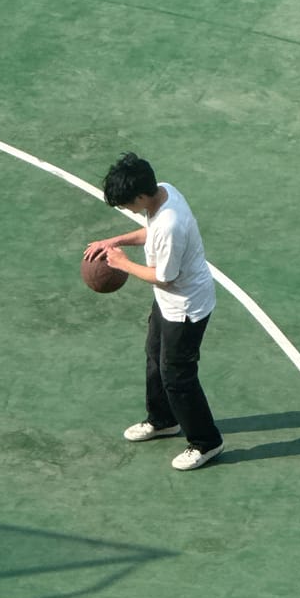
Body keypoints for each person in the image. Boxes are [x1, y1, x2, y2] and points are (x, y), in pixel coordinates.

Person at [84, 152, 223, 470]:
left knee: (178, 377)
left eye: (126, 204)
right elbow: (151, 232)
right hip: (168, 303)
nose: (127, 210)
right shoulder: (164, 191)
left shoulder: (171, 224)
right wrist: (116, 239)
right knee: (154, 357)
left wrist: (122, 263)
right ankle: (163, 420)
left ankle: (206, 441)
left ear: (141, 195)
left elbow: (164, 275)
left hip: (186, 309)